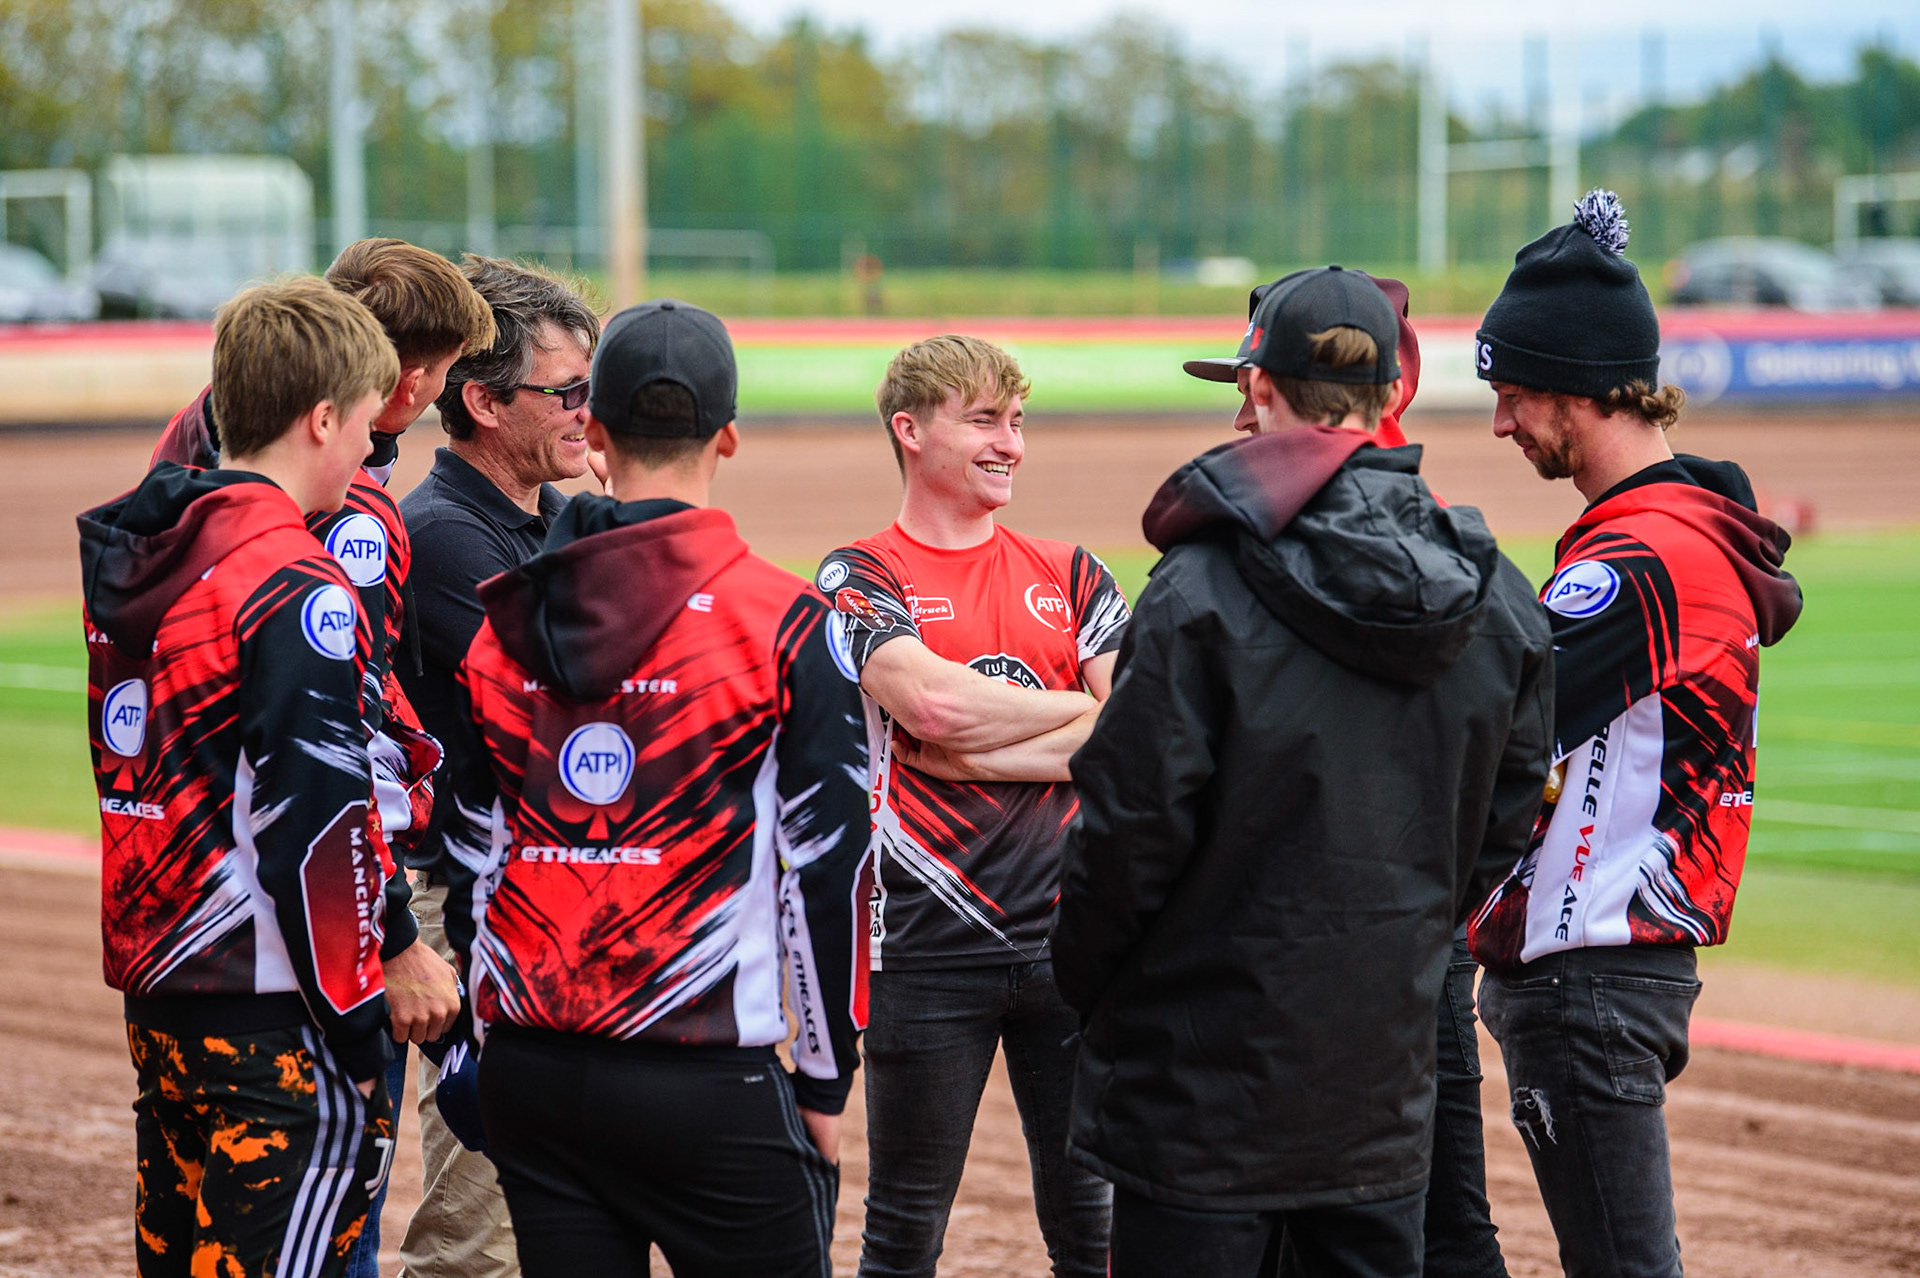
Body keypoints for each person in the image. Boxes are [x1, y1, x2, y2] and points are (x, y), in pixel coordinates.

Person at [1053, 265, 1554, 1278]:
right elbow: (1504, 820)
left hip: (1194, 1092)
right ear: (1388, 394)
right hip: (1377, 1087)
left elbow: (1126, 833)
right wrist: (1401, 935)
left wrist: (1098, 985)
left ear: (1261, 389)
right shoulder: (1498, 594)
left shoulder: (1196, 588)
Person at [437, 299, 869, 1276]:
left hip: (533, 1072)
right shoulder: (790, 622)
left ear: (592, 432)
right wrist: (825, 1080)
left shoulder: (503, 622)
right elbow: (830, 869)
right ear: (728, 437)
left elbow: (468, 854)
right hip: (707, 1073)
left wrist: (489, 1035)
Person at [1468, 191, 1804, 1278]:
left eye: (1513, 395)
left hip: (1589, 973)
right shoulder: (1668, 534)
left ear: (1578, 387)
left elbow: (1487, 727)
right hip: (1610, 967)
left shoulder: (1643, 562)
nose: (1502, 424)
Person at [147, 238, 495, 1277]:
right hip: (298, 958)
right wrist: (391, 939)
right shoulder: (332, 526)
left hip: (178, 934)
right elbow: (334, 758)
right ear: (398, 381)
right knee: (321, 1226)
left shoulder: (179, 476)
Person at [1186, 271, 1513, 1277]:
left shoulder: (1218, 561)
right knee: (1416, 1224)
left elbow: (1143, 805)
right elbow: (1510, 788)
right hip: (1404, 944)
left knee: (1422, 1225)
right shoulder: (1472, 560)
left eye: (1254, 386)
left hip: (1288, 961)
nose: (1241, 412)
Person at [81, 276, 401, 1277]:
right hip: (274, 1020)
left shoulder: (145, 553)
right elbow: (318, 828)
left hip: (162, 999)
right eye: (366, 425)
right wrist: (361, 1036)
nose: (370, 452)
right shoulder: (295, 583)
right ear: (321, 420)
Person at [813, 335, 1126, 1278]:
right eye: (985, 420)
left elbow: (1144, 732)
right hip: (923, 952)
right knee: (905, 1232)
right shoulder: (857, 574)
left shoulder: (1074, 573)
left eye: (1017, 422)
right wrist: (1076, 720)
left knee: (1096, 1229)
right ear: (911, 431)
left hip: (1073, 943)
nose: (1011, 445)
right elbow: (933, 708)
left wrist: (972, 754)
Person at [393, 255, 600, 1278]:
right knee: (480, 1226)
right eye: (566, 392)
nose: (587, 412)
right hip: (470, 908)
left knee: (570, 1209)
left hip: (554, 894)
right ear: (481, 400)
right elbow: (588, 700)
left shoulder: (553, 520)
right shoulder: (439, 537)